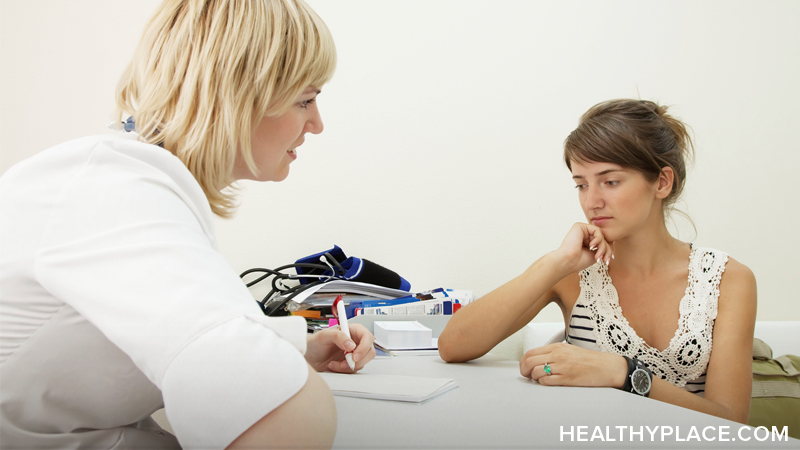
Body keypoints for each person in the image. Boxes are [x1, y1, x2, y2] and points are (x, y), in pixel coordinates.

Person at [0, 0, 375, 448]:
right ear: (236, 95)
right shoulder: (115, 192)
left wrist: (297, 345)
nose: (316, 124)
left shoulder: (123, 184)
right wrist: (281, 371)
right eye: (305, 99)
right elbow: (274, 408)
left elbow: (138, 335)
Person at [438, 99, 757, 423]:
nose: (591, 201)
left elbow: (731, 420)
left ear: (662, 182)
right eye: (581, 184)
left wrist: (623, 372)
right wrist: (557, 262)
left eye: (611, 181)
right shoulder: (572, 274)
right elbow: (452, 346)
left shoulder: (727, 280)